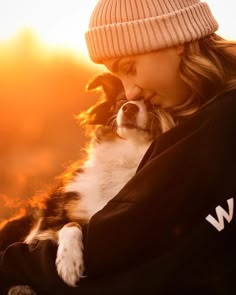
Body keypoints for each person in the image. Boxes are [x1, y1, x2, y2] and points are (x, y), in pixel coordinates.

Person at [1, 0, 236, 294]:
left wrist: (9, 263)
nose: (130, 92)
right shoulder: (201, 115)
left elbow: (109, 245)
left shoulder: (210, 130)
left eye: (131, 68)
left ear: (177, 41)